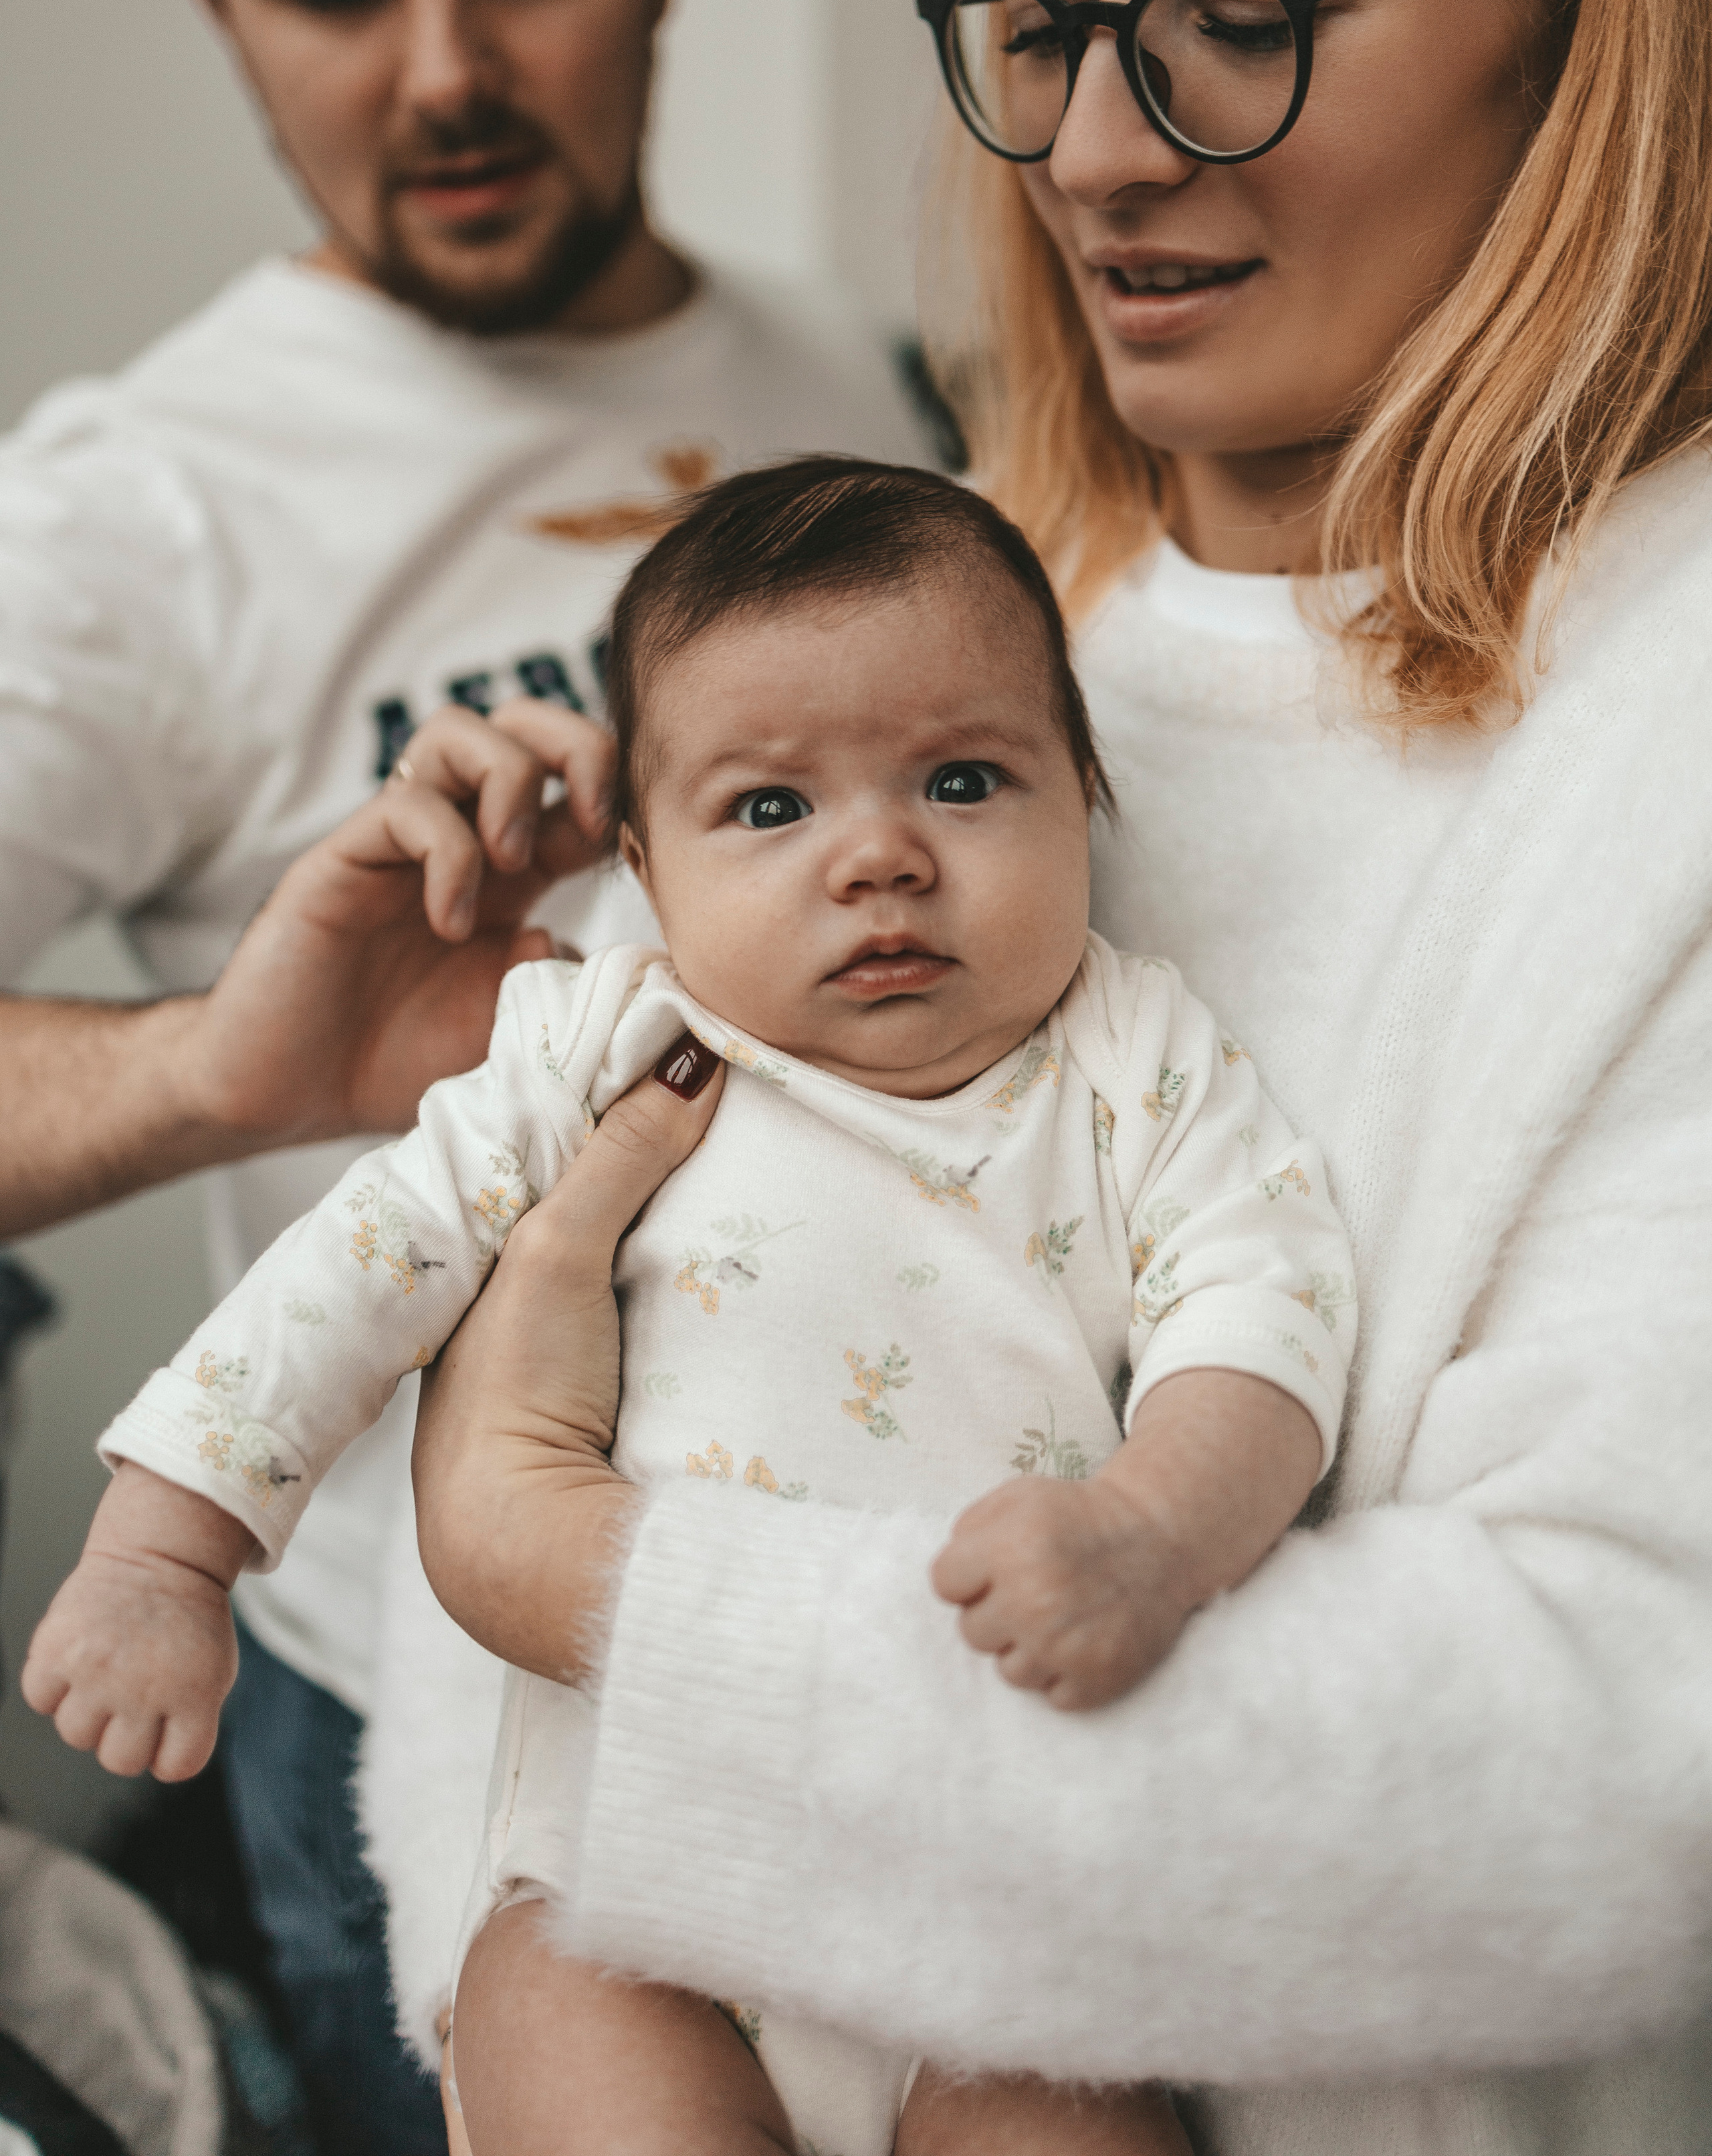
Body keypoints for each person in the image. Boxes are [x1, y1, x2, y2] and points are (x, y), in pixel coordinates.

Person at [359, 0, 1712, 2149]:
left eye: (1245, 7)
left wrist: (623, 1613)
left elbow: (1625, 1755)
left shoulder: (1669, 734)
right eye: (1043, 13)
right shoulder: (950, 652)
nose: (1097, 145)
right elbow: (553, 1473)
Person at [0, 0, 930, 2145]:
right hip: (414, 1741)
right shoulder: (132, 518)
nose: (444, 72)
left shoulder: (856, 376)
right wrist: (221, 1067)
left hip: (879, 1649)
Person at [29, 459, 1360, 2156]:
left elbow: (1264, 1308)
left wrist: (1153, 1533)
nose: (878, 856)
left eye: (961, 781)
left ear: (1081, 798)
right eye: (769, 809)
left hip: (1004, 1876)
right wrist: (167, 1547)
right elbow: (355, 1268)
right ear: (645, 873)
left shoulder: (1131, 1059)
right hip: (629, 1876)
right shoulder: (599, 1048)